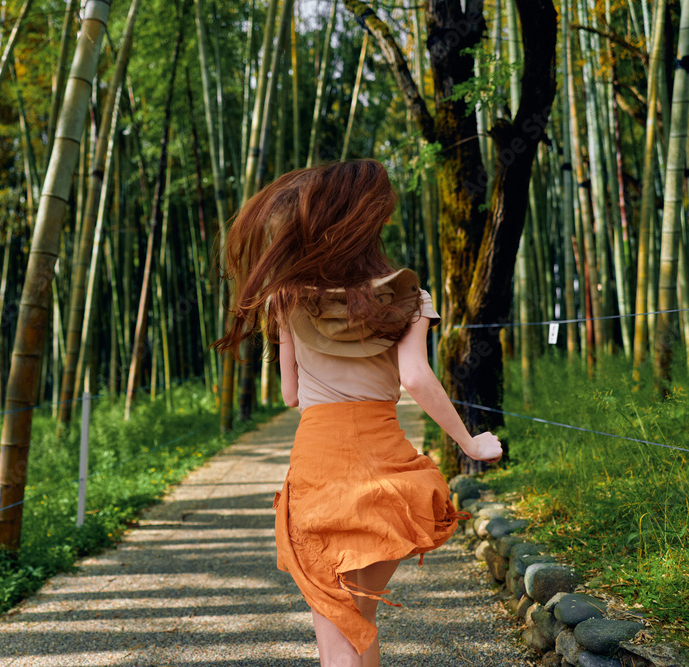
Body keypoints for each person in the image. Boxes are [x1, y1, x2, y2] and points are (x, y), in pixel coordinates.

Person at [214, 159, 503, 667]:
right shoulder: (408, 296)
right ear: (368, 222)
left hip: (319, 471)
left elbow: (290, 395)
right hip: (385, 468)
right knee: (358, 622)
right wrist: (470, 443)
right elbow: (414, 378)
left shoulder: (284, 297)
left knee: (338, 633)